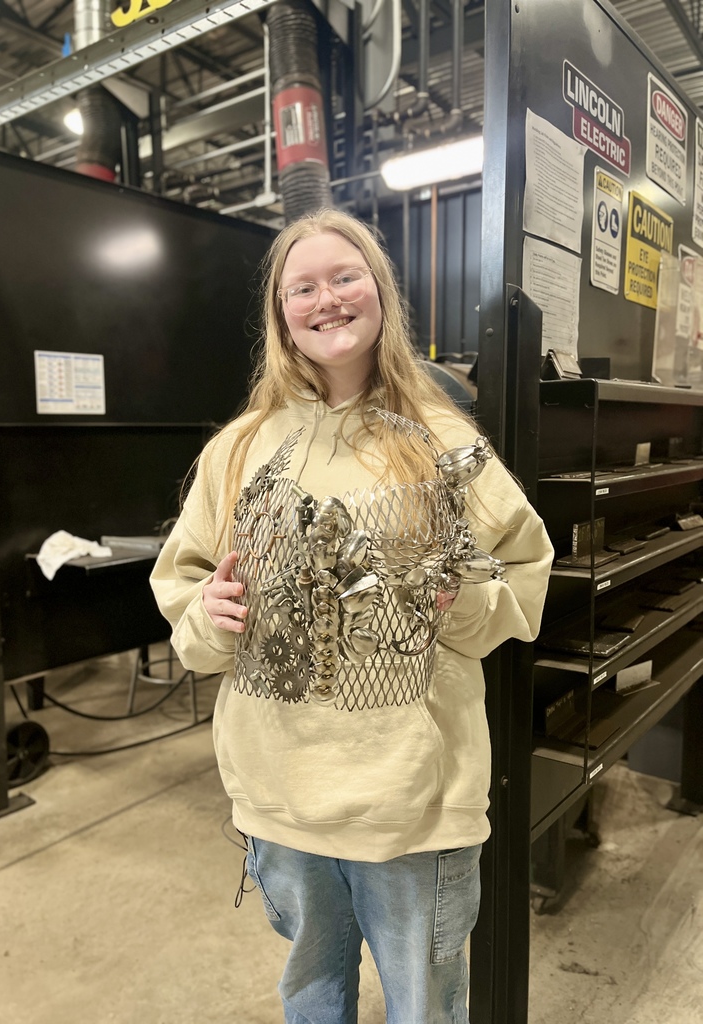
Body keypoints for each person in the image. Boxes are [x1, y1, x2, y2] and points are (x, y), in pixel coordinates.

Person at [150, 208, 553, 1024]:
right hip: (280, 792)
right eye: (303, 286)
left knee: (424, 1005)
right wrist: (211, 614)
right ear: (281, 312)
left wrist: (459, 600)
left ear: (380, 294)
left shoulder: (442, 441)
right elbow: (187, 596)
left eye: (345, 276)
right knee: (310, 993)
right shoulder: (240, 448)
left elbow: (520, 574)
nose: (326, 298)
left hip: (412, 800)